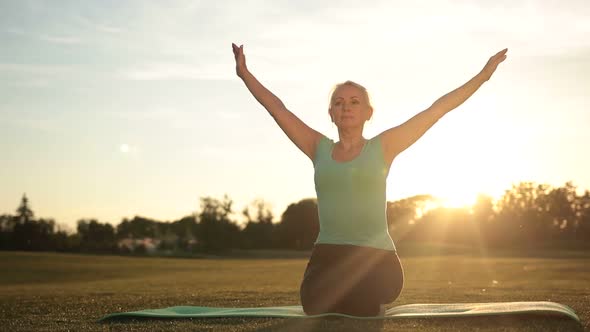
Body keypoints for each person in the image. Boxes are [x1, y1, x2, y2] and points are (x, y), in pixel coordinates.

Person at [231, 42, 507, 316]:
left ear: (368, 113)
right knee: (313, 305)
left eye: (354, 102)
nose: (346, 107)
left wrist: (482, 76)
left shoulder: (382, 147)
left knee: (360, 306)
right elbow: (278, 109)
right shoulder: (318, 148)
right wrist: (245, 74)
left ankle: (358, 295)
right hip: (328, 254)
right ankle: (344, 293)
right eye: (338, 103)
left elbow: (436, 110)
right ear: (331, 114)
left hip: (376, 257)